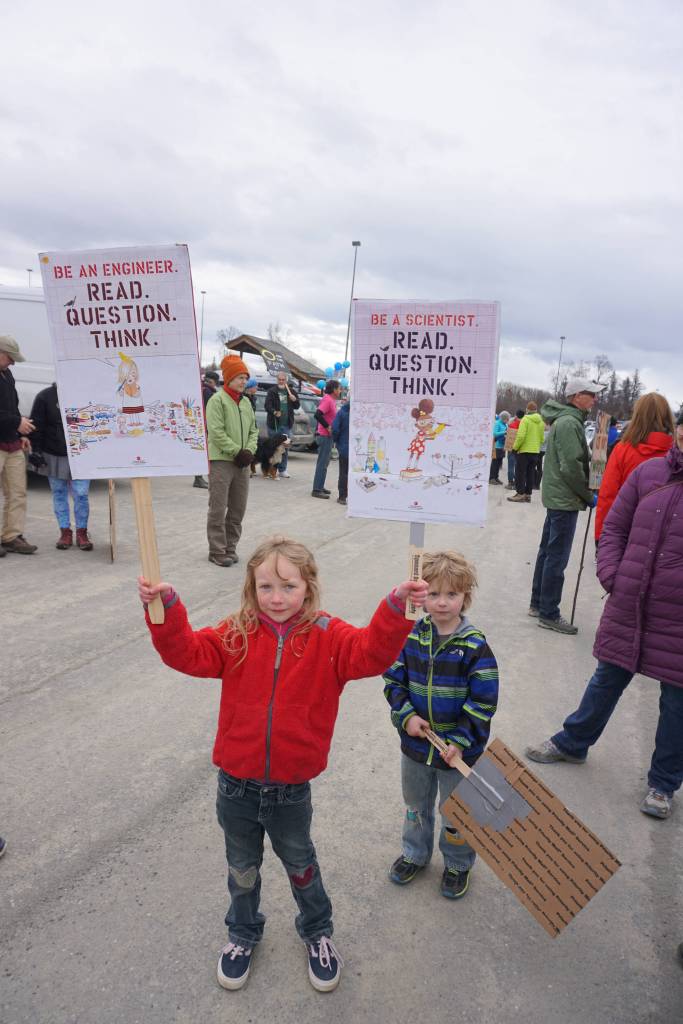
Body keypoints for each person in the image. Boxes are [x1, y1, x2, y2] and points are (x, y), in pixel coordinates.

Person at [137, 535, 428, 993]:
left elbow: (372, 652)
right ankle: (242, 933)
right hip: (235, 786)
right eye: (266, 587)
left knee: (301, 865)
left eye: (288, 586)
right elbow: (186, 653)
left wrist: (396, 607)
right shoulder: (235, 631)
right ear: (251, 588)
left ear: (308, 587)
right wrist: (166, 609)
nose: (276, 598)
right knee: (241, 868)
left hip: (291, 790)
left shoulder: (330, 636)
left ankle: (317, 932)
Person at [525, 441, 683, 819]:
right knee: (607, 676)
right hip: (631, 600)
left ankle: (663, 783)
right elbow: (615, 526)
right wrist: (612, 574)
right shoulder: (648, 474)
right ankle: (573, 743)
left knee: (677, 701)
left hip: (677, 616)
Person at [383, 550, 499, 900]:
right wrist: (406, 716)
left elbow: (483, 701)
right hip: (416, 747)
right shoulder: (411, 636)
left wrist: (461, 740)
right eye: (434, 594)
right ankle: (415, 854)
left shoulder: (475, 646)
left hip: (457, 754)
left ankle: (458, 864)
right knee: (415, 806)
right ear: (422, 597)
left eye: (452, 594)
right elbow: (393, 680)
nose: (443, 602)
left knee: (457, 815)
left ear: (466, 596)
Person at [528, 377, 605, 634]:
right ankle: (549, 612)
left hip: (558, 497)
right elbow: (571, 466)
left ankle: (538, 603)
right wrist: (587, 494)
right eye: (590, 394)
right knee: (556, 557)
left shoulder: (567, 420)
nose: (594, 399)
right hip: (564, 499)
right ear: (576, 396)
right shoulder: (570, 423)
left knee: (547, 552)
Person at [594, 393, 673, 544]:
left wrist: (601, 536)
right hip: (664, 539)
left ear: (637, 417)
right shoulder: (676, 453)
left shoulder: (622, 450)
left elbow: (608, 495)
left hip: (624, 533)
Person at [205, 355, 258, 567]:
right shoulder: (217, 400)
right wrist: (237, 451)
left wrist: (249, 451)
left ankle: (230, 547)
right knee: (218, 508)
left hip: (242, 463)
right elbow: (216, 431)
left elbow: (254, 431)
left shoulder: (246, 402)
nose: (244, 381)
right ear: (228, 378)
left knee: (238, 509)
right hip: (222, 461)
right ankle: (217, 551)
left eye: (245, 378)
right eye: (239, 377)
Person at [29, 382, 93, 550]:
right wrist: (36, 450)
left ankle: (82, 532)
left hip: (81, 453)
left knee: (81, 494)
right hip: (53, 453)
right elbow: (37, 426)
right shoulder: (45, 396)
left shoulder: (86, 394)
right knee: (59, 493)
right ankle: (65, 532)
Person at [0, 334, 37, 556]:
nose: (13, 362)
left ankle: (11, 536)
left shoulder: (7, 375)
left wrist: (19, 431)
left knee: (17, 492)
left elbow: (11, 407)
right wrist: (16, 422)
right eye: (10, 357)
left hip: (11, 442)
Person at [507, 401, 545, 504]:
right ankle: (528, 495)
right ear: (536, 410)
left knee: (520, 473)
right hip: (535, 451)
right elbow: (542, 438)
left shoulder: (525, 419)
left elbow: (521, 436)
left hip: (524, 451)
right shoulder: (541, 421)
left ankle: (520, 494)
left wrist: (515, 448)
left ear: (527, 409)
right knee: (530, 473)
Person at [265, 371, 299, 478]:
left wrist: (294, 400)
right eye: (279, 379)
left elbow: (297, 406)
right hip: (274, 424)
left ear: (286, 381)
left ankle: (282, 469)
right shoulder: (272, 391)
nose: (281, 381)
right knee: (272, 448)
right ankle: (269, 469)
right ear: (277, 380)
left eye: (283, 380)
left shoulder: (291, 391)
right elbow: (267, 405)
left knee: (285, 448)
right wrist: (274, 412)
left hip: (286, 425)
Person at [311, 379, 340, 498]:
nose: (340, 391)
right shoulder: (327, 400)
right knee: (322, 463)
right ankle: (316, 490)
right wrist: (327, 426)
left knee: (325, 463)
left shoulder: (331, 400)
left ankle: (320, 485)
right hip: (324, 436)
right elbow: (317, 414)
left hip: (328, 436)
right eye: (339, 388)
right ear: (334, 389)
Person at [194, 371, 220, 489]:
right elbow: (211, 411)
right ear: (212, 381)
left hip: (199, 425)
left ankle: (199, 478)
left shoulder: (201, 388)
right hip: (205, 426)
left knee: (201, 452)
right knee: (204, 453)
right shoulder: (208, 392)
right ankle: (198, 479)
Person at [331, 398, 349, 505]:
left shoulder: (342, 412)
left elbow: (335, 429)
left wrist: (336, 440)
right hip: (359, 450)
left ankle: (342, 497)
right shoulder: (361, 411)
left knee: (343, 472)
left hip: (344, 448)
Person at [488, 410, 509, 485]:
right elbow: (495, 433)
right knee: (495, 463)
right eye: (507, 419)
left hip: (503, 446)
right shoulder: (497, 423)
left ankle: (496, 477)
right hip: (497, 446)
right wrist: (504, 432)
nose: (508, 420)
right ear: (503, 418)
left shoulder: (505, 424)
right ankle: (491, 478)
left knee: (499, 463)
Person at [505, 409, 524, 489]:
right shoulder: (524, 424)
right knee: (518, 466)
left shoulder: (512, 424)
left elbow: (507, 435)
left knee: (511, 466)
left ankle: (510, 483)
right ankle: (517, 483)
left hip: (511, 448)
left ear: (516, 415)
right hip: (520, 448)